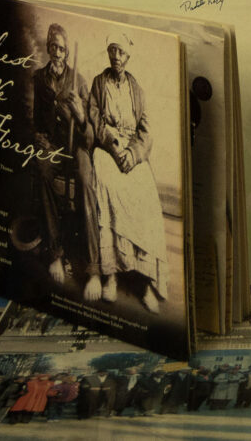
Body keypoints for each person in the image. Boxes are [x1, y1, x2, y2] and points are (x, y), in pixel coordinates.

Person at [84, 35, 170, 308]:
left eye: (121, 53)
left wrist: (131, 155)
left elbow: (146, 131)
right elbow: (94, 121)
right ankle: (111, 277)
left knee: (146, 195)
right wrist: (113, 146)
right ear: (108, 55)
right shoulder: (99, 83)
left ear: (128, 57)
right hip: (107, 150)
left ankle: (144, 282)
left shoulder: (137, 89)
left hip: (131, 153)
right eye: (112, 52)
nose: (117, 58)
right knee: (108, 187)